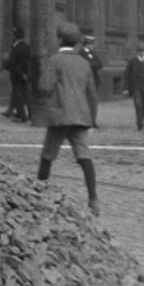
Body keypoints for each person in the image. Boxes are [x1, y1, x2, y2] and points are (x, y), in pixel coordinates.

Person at [36, 21, 100, 216]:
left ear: (60, 40)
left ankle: (38, 194)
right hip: (81, 116)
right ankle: (93, 199)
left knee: (48, 155)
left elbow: (44, 87)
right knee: (84, 156)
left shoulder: (54, 60)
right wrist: (92, 118)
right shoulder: (84, 63)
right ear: (77, 43)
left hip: (60, 116)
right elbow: (92, 94)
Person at [123, 41, 144, 131]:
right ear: (138, 52)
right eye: (140, 51)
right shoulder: (132, 62)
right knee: (138, 105)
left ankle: (141, 120)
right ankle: (140, 123)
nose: (142, 53)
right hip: (136, 87)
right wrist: (126, 88)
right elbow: (127, 75)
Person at [2, 26, 32, 122]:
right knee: (26, 95)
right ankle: (30, 113)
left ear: (15, 36)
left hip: (17, 75)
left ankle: (22, 116)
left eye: (13, 35)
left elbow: (13, 62)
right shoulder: (27, 47)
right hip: (25, 75)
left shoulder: (16, 48)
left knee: (18, 94)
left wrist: (5, 66)